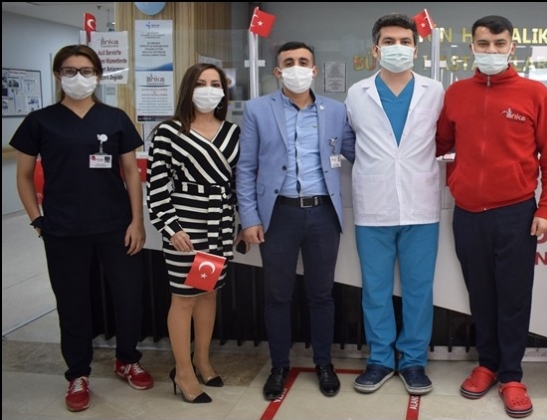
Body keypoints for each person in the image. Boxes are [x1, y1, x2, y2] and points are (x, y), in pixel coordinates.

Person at [10, 44, 154, 413]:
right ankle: (77, 373)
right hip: (63, 229)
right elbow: (23, 175)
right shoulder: (40, 121)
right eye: (70, 71)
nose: (79, 77)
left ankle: (127, 359)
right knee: (72, 303)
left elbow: (131, 174)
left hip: (115, 226)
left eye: (87, 71)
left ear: (98, 76)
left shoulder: (115, 118)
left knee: (128, 297)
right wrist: (37, 220)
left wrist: (137, 221)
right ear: (58, 75)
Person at [435, 15, 547, 418]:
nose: (491, 50)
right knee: (481, 295)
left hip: (516, 214)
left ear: (512, 47)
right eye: (484, 44)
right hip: (468, 214)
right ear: (472, 46)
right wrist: (456, 178)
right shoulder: (456, 93)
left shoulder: (534, 94)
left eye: (499, 43)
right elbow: (441, 143)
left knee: (513, 298)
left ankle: (511, 375)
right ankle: (487, 365)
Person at [236, 41, 356, 400]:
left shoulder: (336, 110)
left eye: (304, 62)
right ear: (277, 71)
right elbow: (246, 168)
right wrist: (249, 218)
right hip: (278, 214)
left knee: (321, 294)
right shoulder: (257, 109)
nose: (297, 68)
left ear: (314, 70)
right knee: (277, 295)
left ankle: (324, 363)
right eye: (289, 62)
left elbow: (358, 153)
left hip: (322, 213)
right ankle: (279, 366)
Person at [344, 13, 444, 396]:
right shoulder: (357, 93)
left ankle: (414, 361)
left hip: (421, 205)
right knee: (375, 289)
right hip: (373, 206)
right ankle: (381, 359)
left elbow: (445, 139)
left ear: (416, 50)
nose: (397, 48)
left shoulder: (435, 91)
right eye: (389, 41)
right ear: (375, 49)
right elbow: (350, 143)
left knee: (419, 288)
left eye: (405, 41)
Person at [147, 63, 240, 404]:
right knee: (184, 297)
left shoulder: (232, 132)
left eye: (216, 84)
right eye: (201, 83)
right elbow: (157, 188)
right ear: (189, 88)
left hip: (218, 225)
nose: (209, 89)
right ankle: (183, 371)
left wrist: (238, 224)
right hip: (185, 227)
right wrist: (171, 228)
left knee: (208, 293)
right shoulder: (168, 131)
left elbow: (236, 183)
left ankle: (202, 360)